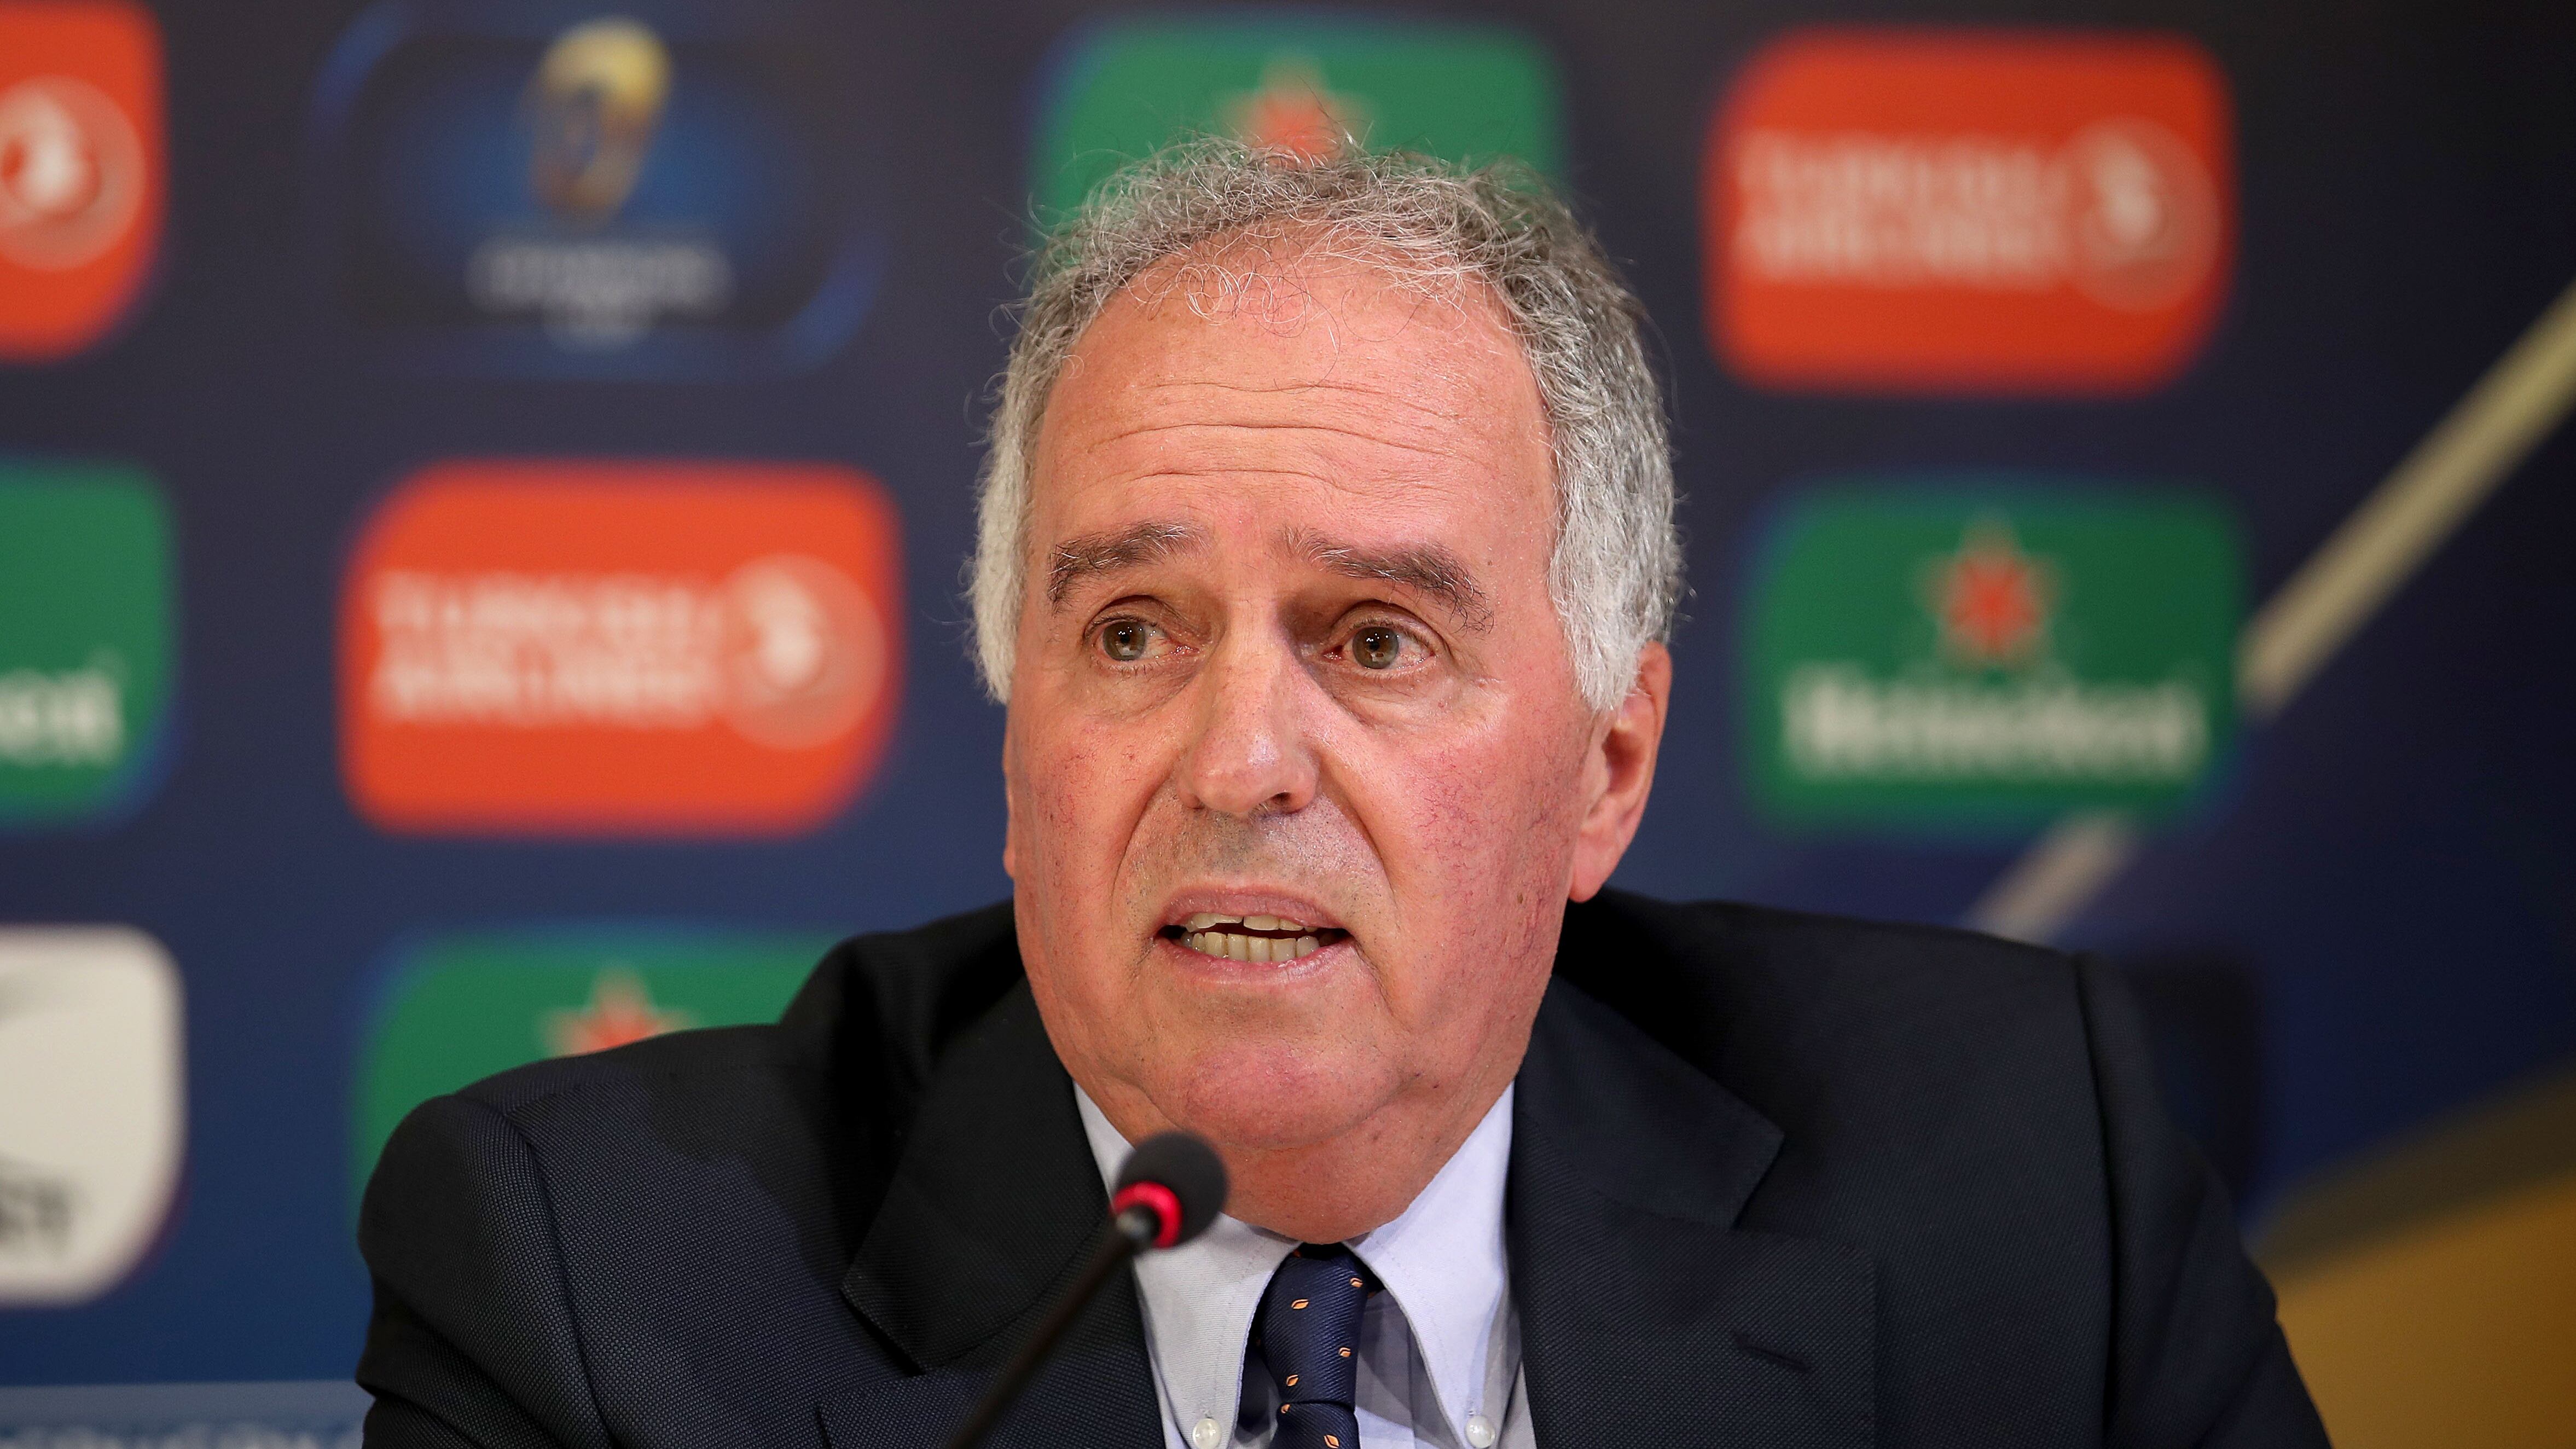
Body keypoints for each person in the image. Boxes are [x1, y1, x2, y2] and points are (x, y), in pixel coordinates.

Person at [355, 141, 2328, 1448]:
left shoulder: (2018, 1181)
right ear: (1018, 739)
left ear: (1606, 771)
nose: (1237, 763)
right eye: (1131, 631)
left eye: (1376, 640)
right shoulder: (600, 1286)